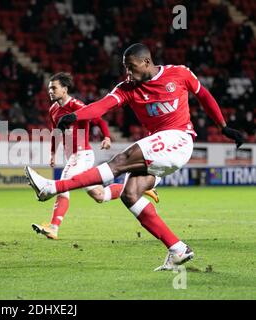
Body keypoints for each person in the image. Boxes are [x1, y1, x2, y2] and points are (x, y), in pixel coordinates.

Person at [25, 44, 244, 270]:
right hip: (160, 149)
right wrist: (74, 116)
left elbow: (204, 95)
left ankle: (52, 187)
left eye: (131, 67)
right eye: (125, 68)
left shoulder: (179, 73)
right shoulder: (127, 88)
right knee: (130, 195)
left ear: (146, 62)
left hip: (179, 139)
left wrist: (223, 126)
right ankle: (177, 249)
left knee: (121, 160)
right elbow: (101, 107)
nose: (128, 73)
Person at [32, 72, 159, 240]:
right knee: (100, 195)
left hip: (81, 154)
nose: (50, 91)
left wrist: (106, 136)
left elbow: (98, 119)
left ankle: (54, 227)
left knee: (63, 185)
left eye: (54, 88)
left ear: (64, 89)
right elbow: (56, 133)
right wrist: (53, 154)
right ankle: (142, 188)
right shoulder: (53, 110)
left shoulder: (76, 105)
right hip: (74, 156)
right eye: (49, 88)